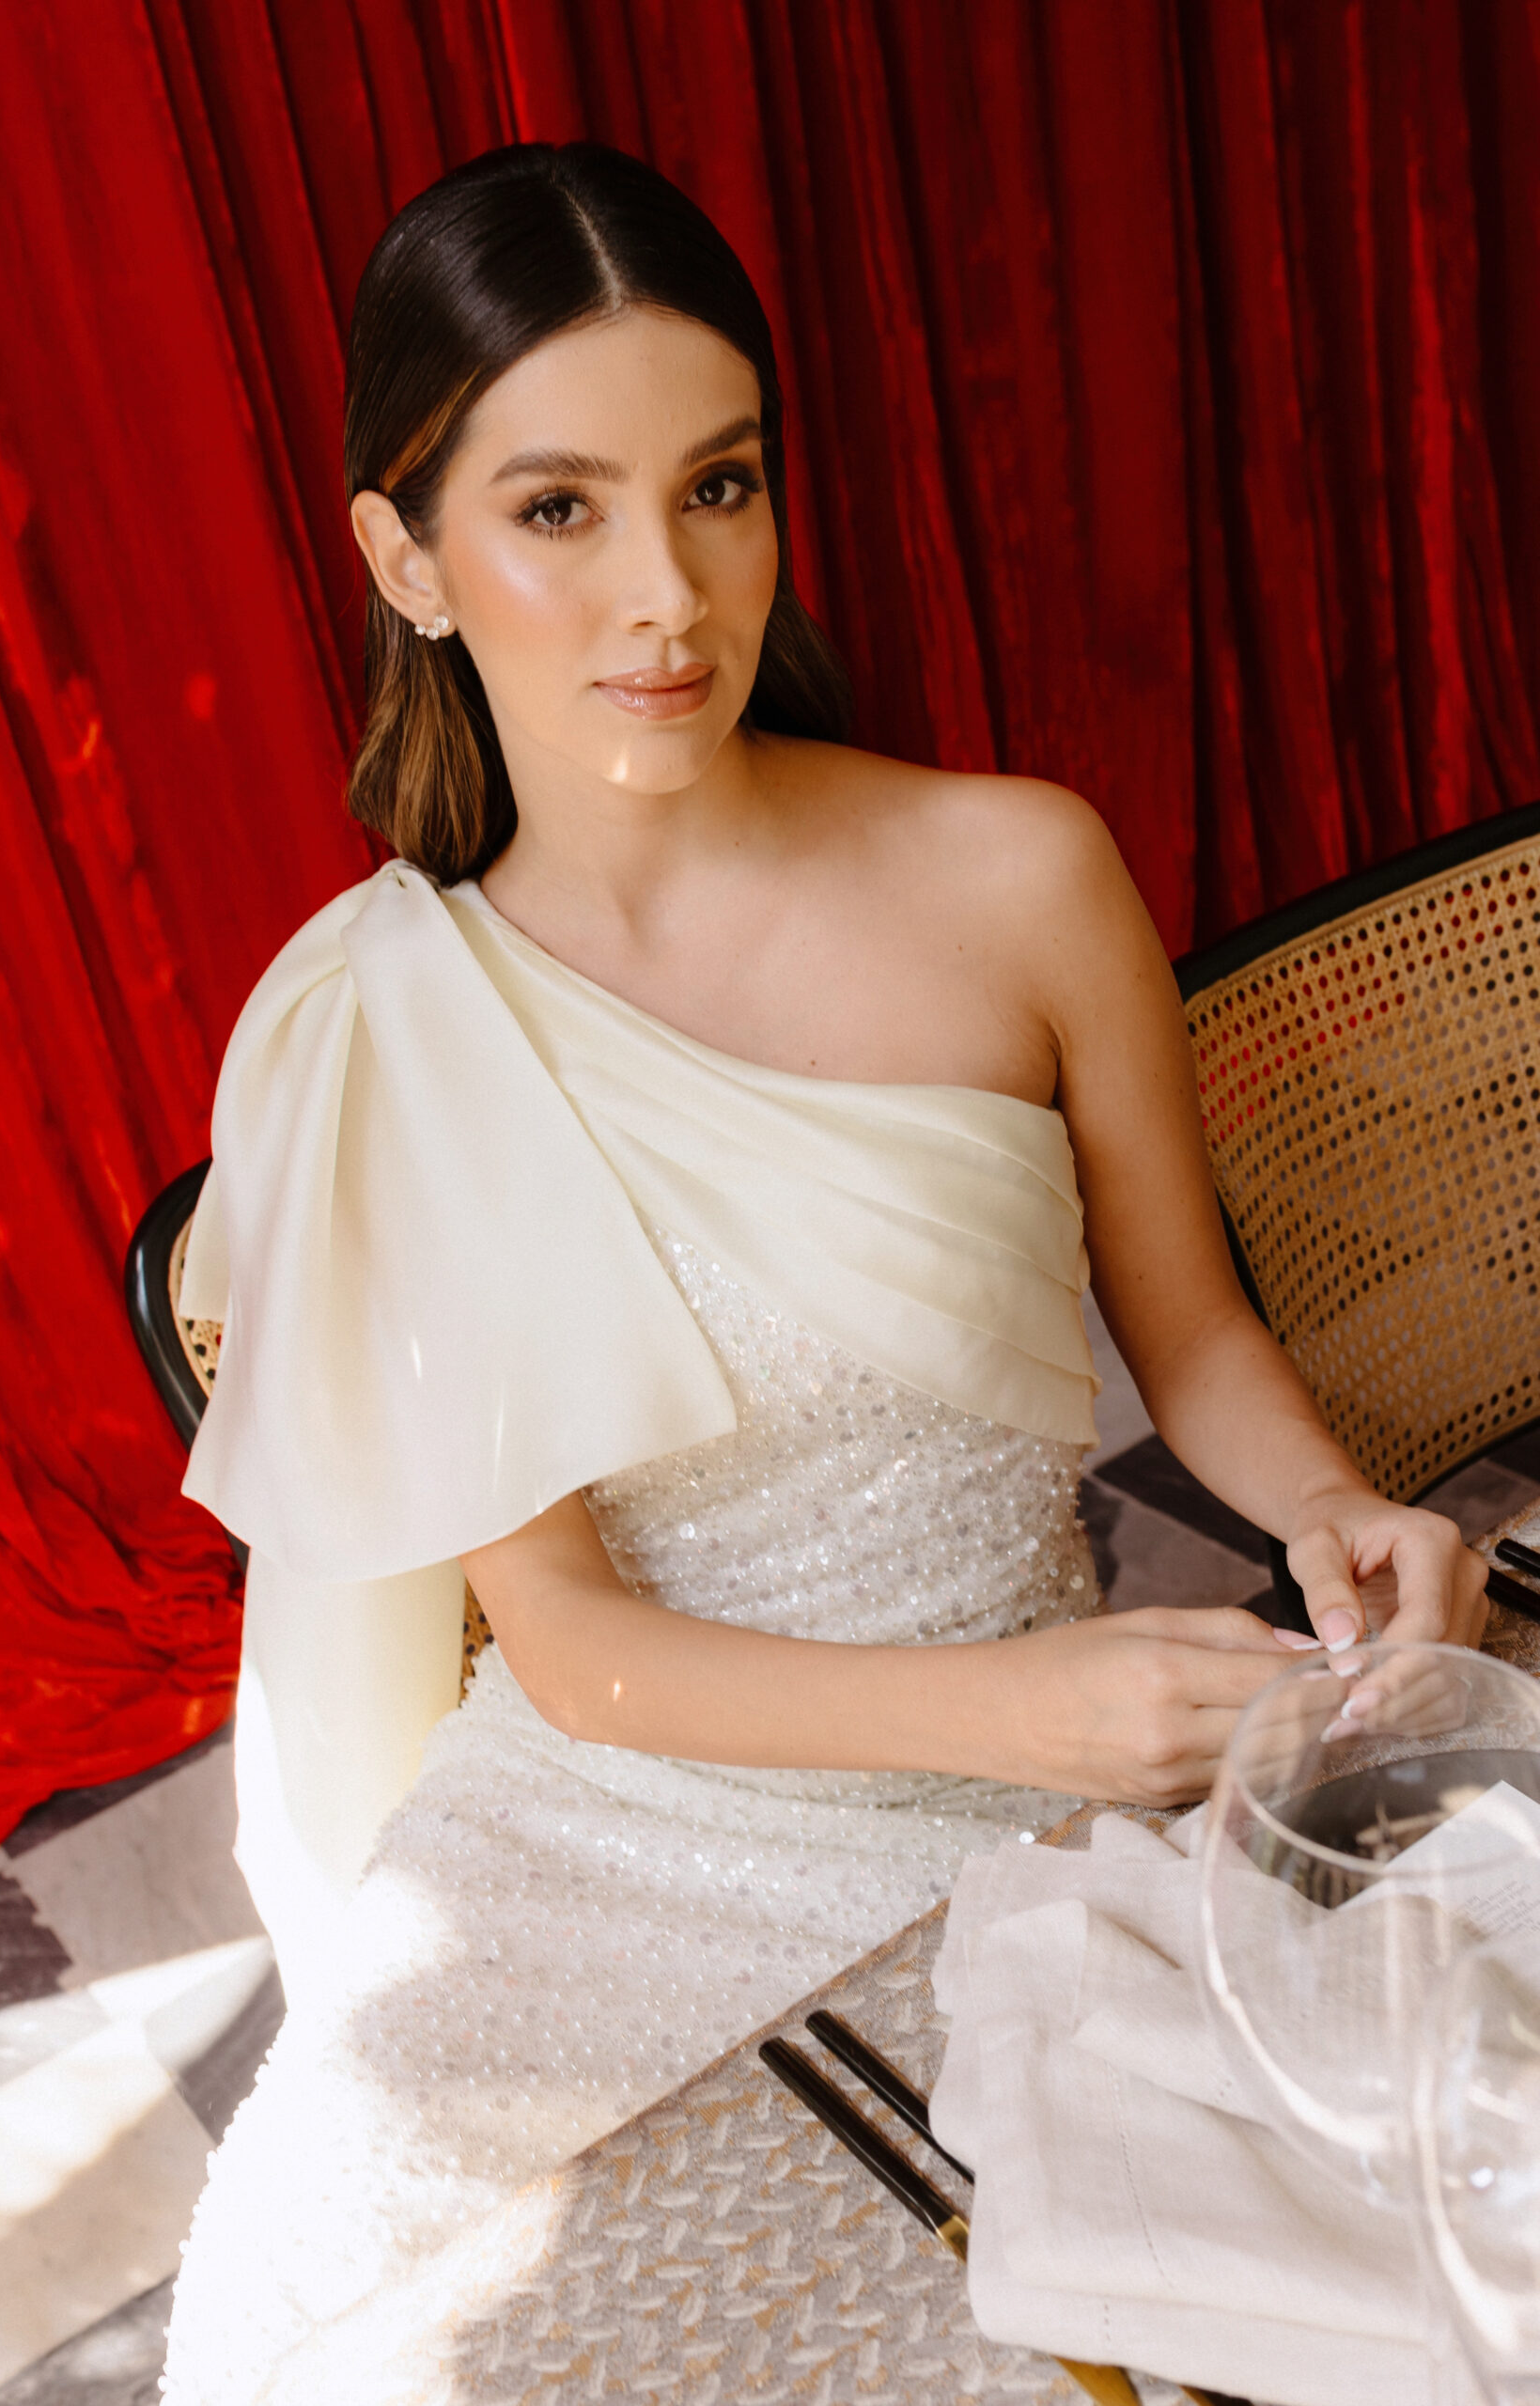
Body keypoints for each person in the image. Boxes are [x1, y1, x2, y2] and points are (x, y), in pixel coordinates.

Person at [161, 141, 1486, 2401]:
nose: (667, 594)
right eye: (558, 508)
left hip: (1046, 1787)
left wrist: (1330, 1503)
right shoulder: (394, 1028)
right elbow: (568, 1643)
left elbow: (1195, 1335)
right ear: (405, 558)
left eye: (721, 485)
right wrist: (1028, 1710)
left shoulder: (1021, 876)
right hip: (595, 1836)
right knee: (320, 2337)